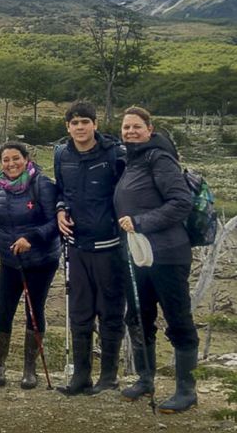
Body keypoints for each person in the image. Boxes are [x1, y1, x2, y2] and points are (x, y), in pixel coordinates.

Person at [115, 106, 199, 413]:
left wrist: (140, 221)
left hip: (167, 254)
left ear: (150, 129)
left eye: (137, 126)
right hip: (139, 255)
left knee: (177, 318)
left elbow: (181, 202)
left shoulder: (159, 158)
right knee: (138, 316)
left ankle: (187, 390)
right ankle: (145, 379)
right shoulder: (132, 159)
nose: (131, 132)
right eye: (126, 127)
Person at [0, 142, 59, 389]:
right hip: (10, 261)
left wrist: (31, 238)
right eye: (6, 160)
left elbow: (54, 223)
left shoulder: (43, 184)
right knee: (3, 311)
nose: (11, 164)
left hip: (41, 261)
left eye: (16, 158)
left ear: (26, 159)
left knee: (34, 311)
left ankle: (30, 368)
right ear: (0, 163)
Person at [54, 100, 127, 396]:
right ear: (68, 127)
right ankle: (81, 377)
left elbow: (128, 190)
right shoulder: (61, 154)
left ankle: (108, 376)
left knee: (109, 312)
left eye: (85, 122)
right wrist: (60, 210)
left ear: (95, 124)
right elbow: (61, 190)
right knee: (80, 312)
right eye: (75, 123)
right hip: (77, 247)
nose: (80, 127)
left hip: (109, 246)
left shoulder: (114, 154)